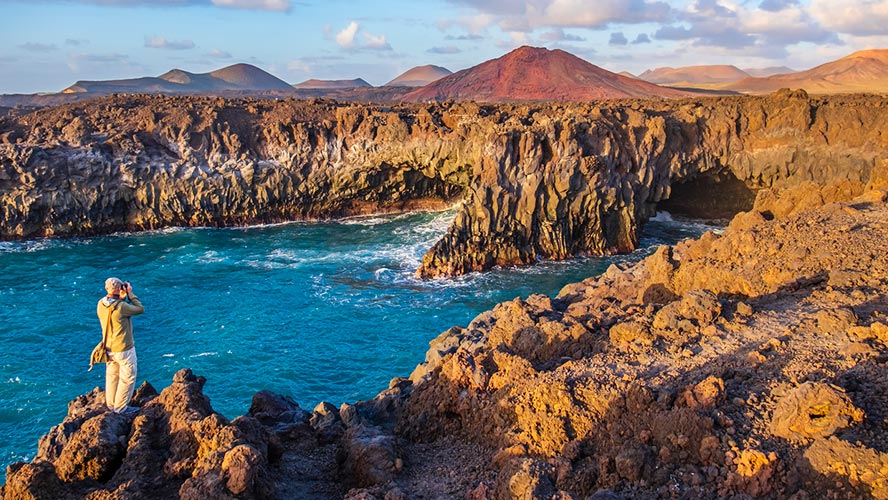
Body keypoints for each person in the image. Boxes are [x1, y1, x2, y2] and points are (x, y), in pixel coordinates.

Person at [97, 277, 144, 414]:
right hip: (124, 349)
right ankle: (121, 408)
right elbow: (139, 309)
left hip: (108, 348)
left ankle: (111, 405)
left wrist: (121, 298)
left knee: (112, 376)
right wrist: (130, 295)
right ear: (120, 289)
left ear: (106, 288)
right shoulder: (122, 306)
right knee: (127, 377)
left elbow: (115, 311)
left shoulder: (100, 304)